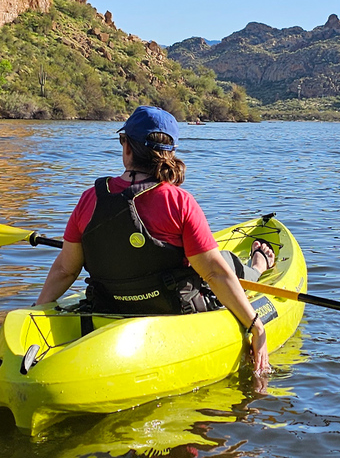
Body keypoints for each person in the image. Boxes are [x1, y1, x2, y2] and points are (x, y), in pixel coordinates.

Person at [35, 105, 272, 374]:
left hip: (108, 308)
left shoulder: (89, 199)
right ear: (170, 153)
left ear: (127, 148)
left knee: (220, 261)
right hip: (173, 316)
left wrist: (36, 313)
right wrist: (255, 324)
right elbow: (215, 274)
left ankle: (256, 266)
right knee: (226, 262)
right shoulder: (179, 202)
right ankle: (259, 265)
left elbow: (66, 269)